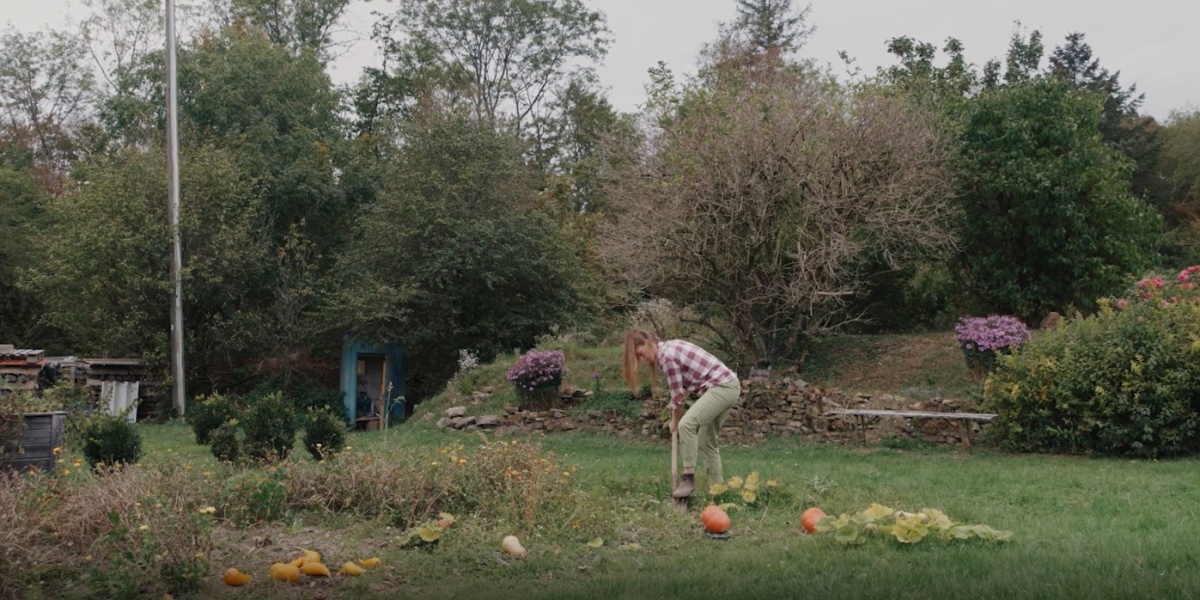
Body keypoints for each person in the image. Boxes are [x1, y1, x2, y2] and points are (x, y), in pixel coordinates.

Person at [622, 328, 741, 498]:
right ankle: (717, 492)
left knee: (686, 424)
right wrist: (673, 412)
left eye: (639, 354)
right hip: (728, 385)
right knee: (707, 441)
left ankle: (688, 477)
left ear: (646, 342)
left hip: (722, 387)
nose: (641, 360)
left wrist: (675, 420)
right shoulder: (669, 347)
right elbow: (685, 387)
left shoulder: (667, 357)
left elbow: (678, 398)